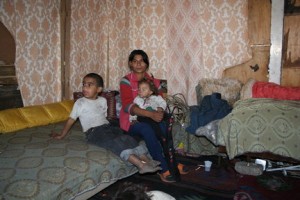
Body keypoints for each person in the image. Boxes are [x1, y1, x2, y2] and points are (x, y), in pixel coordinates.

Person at [51, 73, 161, 174]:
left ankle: (147, 161)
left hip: (107, 127)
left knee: (127, 137)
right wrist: (62, 135)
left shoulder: (102, 101)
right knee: (115, 143)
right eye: (84, 84)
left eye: (89, 85)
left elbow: (102, 116)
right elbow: (71, 120)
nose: (85, 87)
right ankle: (141, 165)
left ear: (99, 89)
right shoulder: (80, 103)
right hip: (93, 132)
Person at [119, 49, 188, 183]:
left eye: (142, 61)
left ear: (146, 64)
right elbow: (127, 106)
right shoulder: (125, 81)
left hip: (152, 117)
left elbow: (161, 101)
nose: (139, 64)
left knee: (165, 127)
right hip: (132, 121)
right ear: (130, 64)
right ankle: (163, 167)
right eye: (135, 61)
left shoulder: (156, 82)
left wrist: (159, 112)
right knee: (147, 129)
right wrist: (150, 114)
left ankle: (172, 162)